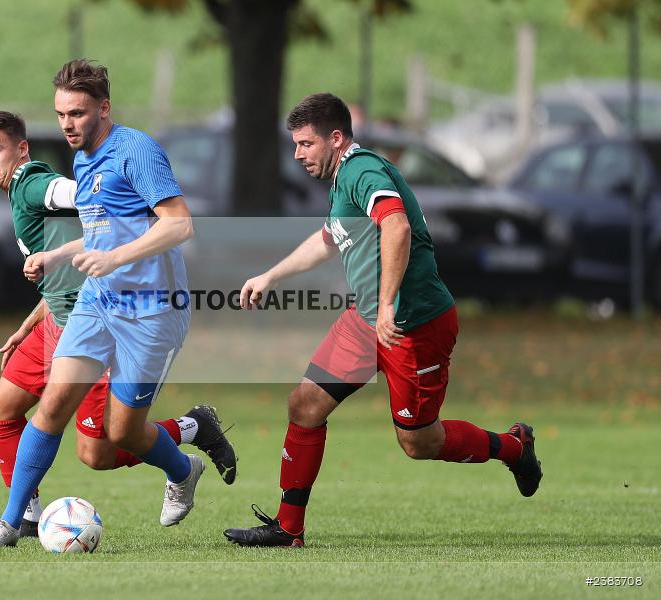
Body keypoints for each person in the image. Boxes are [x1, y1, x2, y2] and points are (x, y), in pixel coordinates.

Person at [223, 93, 542, 548]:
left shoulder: (361, 170)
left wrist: (388, 303)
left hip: (413, 324)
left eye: (306, 144)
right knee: (305, 404)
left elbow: (396, 226)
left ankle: (515, 448)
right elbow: (328, 240)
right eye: (295, 145)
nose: (297, 154)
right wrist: (271, 275)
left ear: (336, 139)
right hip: (366, 321)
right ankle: (288, 527)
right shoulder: (341, 179)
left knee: (418, 443)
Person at [0, 60, 216, 549]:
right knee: (53, 404)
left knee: (121, 434)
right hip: (98, 304)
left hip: (150, 310)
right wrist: (55, 254)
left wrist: (116, 257)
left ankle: (183, 469)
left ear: (104, 108)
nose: (67, 124)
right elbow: (98, 231)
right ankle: (12, 521)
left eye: (77, 113)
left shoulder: (136, 151)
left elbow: (179, 225)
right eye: (60, 114)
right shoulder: (82, 156)